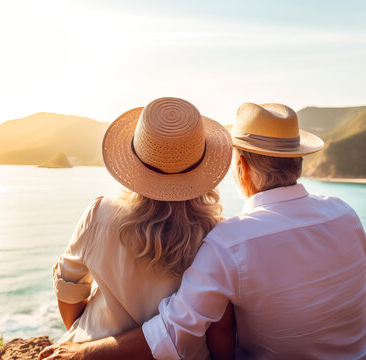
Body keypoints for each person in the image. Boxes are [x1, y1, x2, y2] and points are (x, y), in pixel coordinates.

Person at [40, 102, 366, 359]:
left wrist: (82, 351)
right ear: (298, 161)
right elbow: (220, 329)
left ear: (240, 167)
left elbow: (172, 330)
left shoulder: (229, 244)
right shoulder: (345, 213)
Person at [41, 97, 235, 360]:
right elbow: (219, 329)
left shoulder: (99, 213)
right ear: (200, 166)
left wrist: (88, 336)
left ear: (136, 159)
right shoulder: (217, 235)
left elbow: (68, 289)